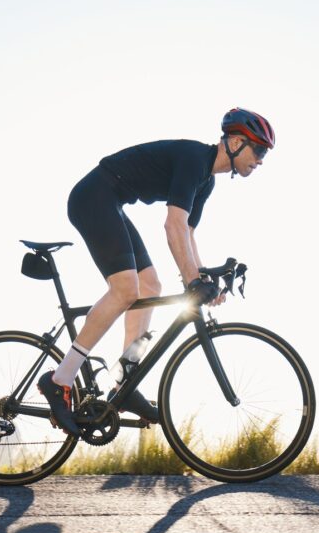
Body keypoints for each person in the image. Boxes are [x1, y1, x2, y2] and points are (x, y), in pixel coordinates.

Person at [39, 108, 275, 436]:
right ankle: (60, 379)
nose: (261, 159)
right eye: (259, 149)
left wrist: (204, 279)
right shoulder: (195, 160)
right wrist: (192, 280)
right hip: (93, 197)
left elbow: (188, 235)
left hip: (111, 202)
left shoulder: (206, 181)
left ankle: (123, 381)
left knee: (150, 285)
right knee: (125, 289)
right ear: (235, 142)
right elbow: (173, 224)